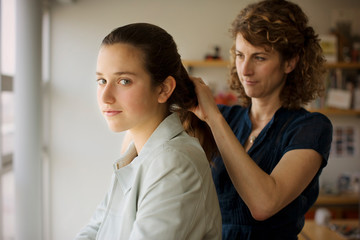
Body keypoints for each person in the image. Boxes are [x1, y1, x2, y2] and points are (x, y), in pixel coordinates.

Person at [190, 0, 333, 239]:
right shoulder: (225, 118)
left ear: (290, 62)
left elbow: (264, 204)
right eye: (240, 55)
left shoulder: (311, 128)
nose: (244, 70)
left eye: (259, 58)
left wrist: (213, 118)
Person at [74, 23, 221, 240]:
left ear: (163, 89)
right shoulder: (136, 156)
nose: (105, 96)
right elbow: (96, 229)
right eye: (102, 80)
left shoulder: (175, 163)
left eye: (124, 81)